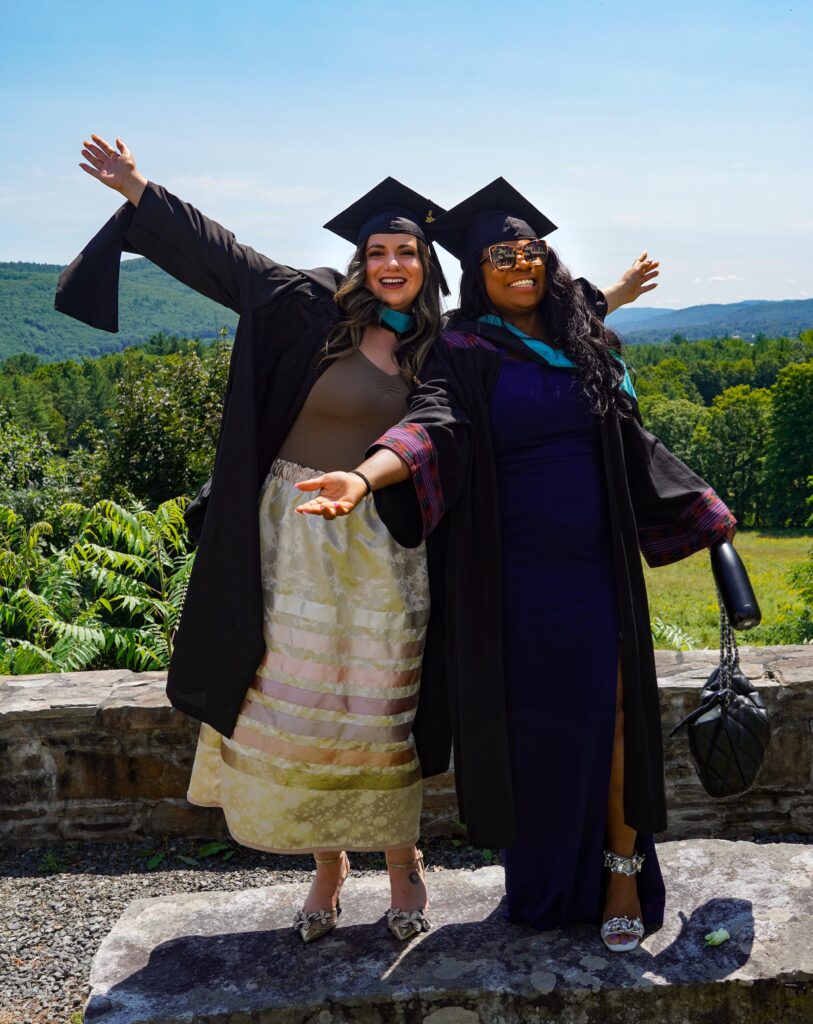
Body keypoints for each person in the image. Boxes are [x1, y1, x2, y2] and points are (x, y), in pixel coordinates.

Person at [304, 178, 734, 953]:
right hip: (510, 578)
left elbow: (633, 444)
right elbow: (431, 424)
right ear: (476, 271)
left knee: (614, 722)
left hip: (595, 570)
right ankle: (542, 881)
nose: (518, 263)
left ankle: (622, 870)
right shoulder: (464, 350)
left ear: (547, 261)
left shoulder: (587, 343)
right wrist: (366, 474)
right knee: (538, 733)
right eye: (500, 255)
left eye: (529, 251)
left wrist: (706, 514)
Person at [56, 135, 453, 943]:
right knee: (298, 702)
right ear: (357, 260)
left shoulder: (442, 352)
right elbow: (225, 257)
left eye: (403, 252)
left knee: (378, 708)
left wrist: (606, 301)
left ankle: (403, 863)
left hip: (384, 551)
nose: (388, 263)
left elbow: (502, 367)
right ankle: (328, 864)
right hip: (288, 539)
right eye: (375, 250)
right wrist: (139, 189)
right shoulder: (307, 307)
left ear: (426, 266)